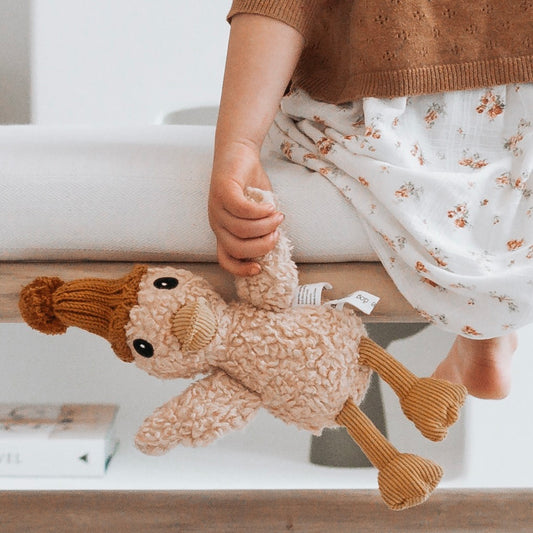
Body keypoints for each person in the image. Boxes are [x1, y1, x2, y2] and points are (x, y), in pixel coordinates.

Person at [208, 1, 533, 400]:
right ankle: (487, 334)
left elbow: (279, 6)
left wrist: (239, 146)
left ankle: (484, 335)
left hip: (383, 122)